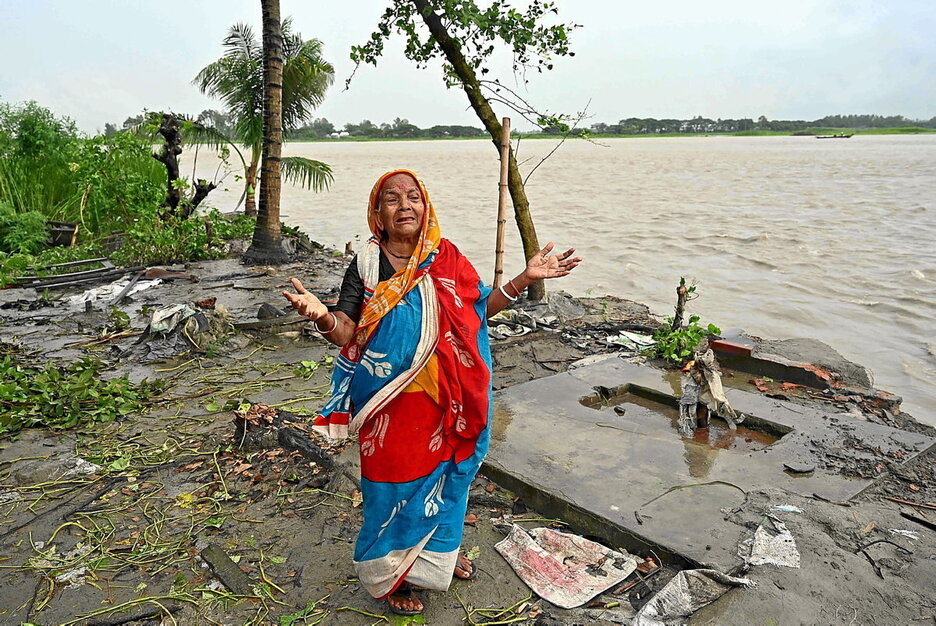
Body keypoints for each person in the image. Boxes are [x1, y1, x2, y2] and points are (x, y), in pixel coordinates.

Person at [282, 169, 581, 615]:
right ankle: (389, 577)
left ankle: (433, 558)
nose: (404, 206)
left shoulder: (447, 258)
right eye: (391, 199)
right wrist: (321, 315)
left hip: (446, 399)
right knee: (391, 487)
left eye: (413, 197)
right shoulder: (366, 264)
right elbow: (346, 331)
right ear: (377, 213)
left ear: (426, 207)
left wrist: (525, 277)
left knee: (447, 480)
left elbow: (478, 308)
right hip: (386, 403)